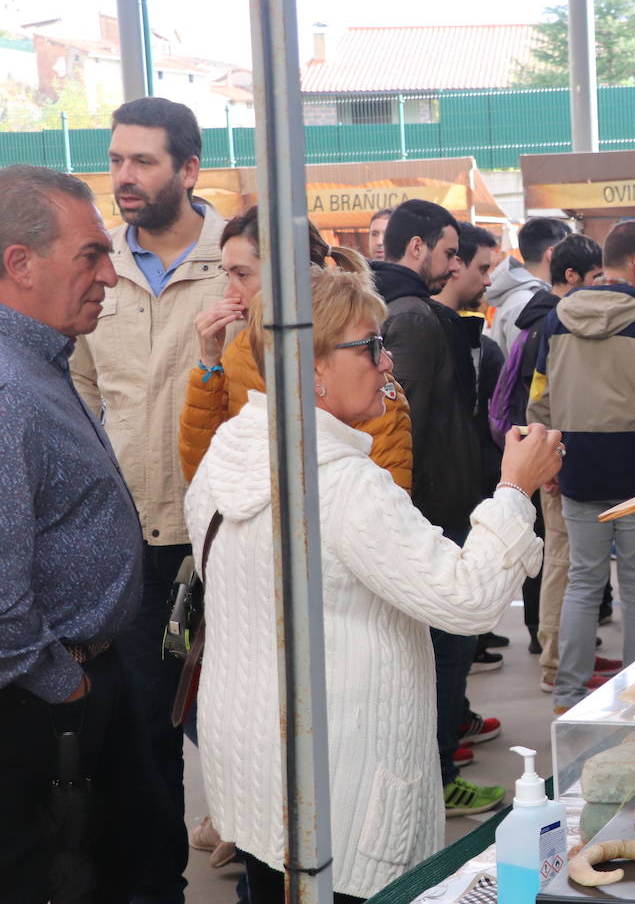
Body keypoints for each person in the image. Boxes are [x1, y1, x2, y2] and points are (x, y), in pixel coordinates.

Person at [186, 266, 561, 902]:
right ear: (311, 369)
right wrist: (515, 489)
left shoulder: (233, 447)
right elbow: (465, 598)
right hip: (339, 788)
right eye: (369, 347)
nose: (387, 363)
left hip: (255, 767)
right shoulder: (338, 484)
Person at [69, 96, 226, 902]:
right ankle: (162, 884)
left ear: (189, 168)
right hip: (129, 546)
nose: (122, 177)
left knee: (236, 731)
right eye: (116, 159)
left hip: (229, 541)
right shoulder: (99, 266)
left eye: (143, 162)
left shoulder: (241, 261)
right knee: (143, 739)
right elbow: (83, 397)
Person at [0, 165, 159, 902]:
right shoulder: (8, 390)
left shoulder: (42, 365)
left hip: (79, 680)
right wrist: (64, 686)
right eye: (91, 255)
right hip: (41, 701)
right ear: (19, 264)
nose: (110, 276)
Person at [527, 219, 635, 714]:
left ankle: (567, 695)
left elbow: (539, 399)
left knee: (584, 582)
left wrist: (546, 460)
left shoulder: (557, 319)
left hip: (576, 467)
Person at [372, 200, 503, 813]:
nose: (457, 267)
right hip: (432, 512)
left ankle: (438, 767)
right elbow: (406, 429)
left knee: (443, 650)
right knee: (445, 649)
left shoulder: (402, 312)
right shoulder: (413, 318)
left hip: (432, 505)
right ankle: (438, 776)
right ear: (418, 247)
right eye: (450, 253)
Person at [179, 206, 411, 490]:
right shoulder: (237, 351)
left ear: (292, 275)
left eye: (242, 274)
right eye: (226, 274)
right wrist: (209, 366)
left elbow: (382, 503)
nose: (230, 292)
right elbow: (204, 474)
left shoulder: (360, 365)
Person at [509, 234, 617, 692]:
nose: (600, 288)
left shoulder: (542, 322)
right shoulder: (550, 325)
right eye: (595, 278)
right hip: (552, 460)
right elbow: (538, 401)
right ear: (570, 276)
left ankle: (568, 654)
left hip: (551, 455)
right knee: (564, 562)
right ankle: (557, 662)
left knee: (569, 562)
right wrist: (548, 460)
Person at [434, 220, 514, 656]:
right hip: (444, 505)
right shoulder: (425, 325)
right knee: (449, 645)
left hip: (464, 495)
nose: (488, 280)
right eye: (482, 268)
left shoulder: (470, 335)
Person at [487, 216, 569, 355]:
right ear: (551, 254)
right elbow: (525, 365)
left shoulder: (524, 294)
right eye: (568, 250)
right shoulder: (525, 301)